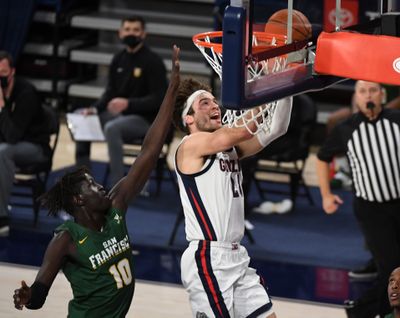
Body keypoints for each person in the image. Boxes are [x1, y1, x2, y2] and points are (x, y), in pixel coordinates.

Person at [12, 46, 180, 316]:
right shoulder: (66, 239)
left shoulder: (116, 207)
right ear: (79, 199)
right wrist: (28, 296)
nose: (100, 186)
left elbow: (148, 153)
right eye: (91, 185)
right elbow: (39, 296)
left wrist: (171, 90)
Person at [172, 78, 293, 317]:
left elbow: (277, 128)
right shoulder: (190, 145)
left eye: (215, 102)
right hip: (208, 259)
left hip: (236, 256)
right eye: (204, 103)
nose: (215, 106)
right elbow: (243, 130)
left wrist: (288, 86)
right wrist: (269, 86)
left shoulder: (227, 148)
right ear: (188, 118)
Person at [316, 80, 400, 318]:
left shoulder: (397, 120)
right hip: (371, 209)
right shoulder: (346, 128)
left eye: (373, 90)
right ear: (356, 98)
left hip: (399, 202)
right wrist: (325, 195)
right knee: (391, 269)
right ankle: (370, 312)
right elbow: (322, 158)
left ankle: (361, 309)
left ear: (382, 95)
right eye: (362, 91)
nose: (368, 95)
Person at [75, 15, 168, 186]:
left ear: (143, 34)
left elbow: (160, 99)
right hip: (119, 115)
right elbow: (110, 92)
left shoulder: (153, 61)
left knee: (112, 128)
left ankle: (118, 186)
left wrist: (129, 103)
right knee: (82, 119)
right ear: (120, 33)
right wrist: (94, 109)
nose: (131, 33)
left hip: (146, 119)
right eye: (127, 29)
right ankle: (83, 181)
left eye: (135, 30)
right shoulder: (118, 59)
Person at [0, 51, 51, 236]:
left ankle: (2, 218)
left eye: (2, 73)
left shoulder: (26, 93)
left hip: (35, 147)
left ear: (12, 72)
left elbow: (13, 136)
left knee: (3, 151)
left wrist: (1, 106)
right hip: (8, 146)